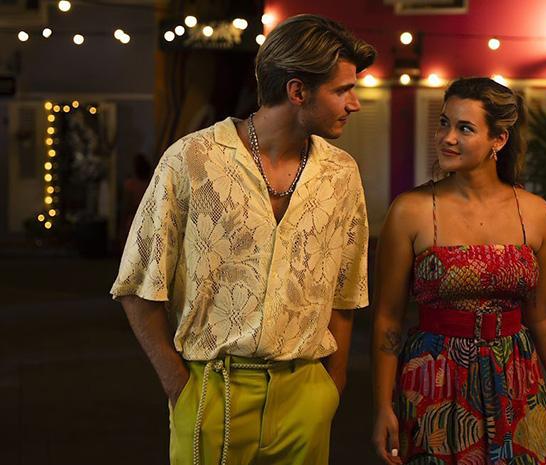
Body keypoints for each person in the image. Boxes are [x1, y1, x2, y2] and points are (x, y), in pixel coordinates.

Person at [111, 14, 375, 465]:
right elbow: (137, 285)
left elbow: (345, 292)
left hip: (307, 395)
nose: (355, 104)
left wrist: (332, 387)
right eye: (342, 90)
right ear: (297, 91)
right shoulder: (192, 159)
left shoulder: (341, 172)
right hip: (214, 393)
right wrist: (180, 386)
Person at [371, 77, 546, 465]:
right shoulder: (410, 210)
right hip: (434, 381)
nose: (447, 138)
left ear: (499, 140)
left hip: (516, 378)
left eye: (465, 128)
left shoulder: (536, 213)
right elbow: (388, 317)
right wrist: (382, 406)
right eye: (444, 123)